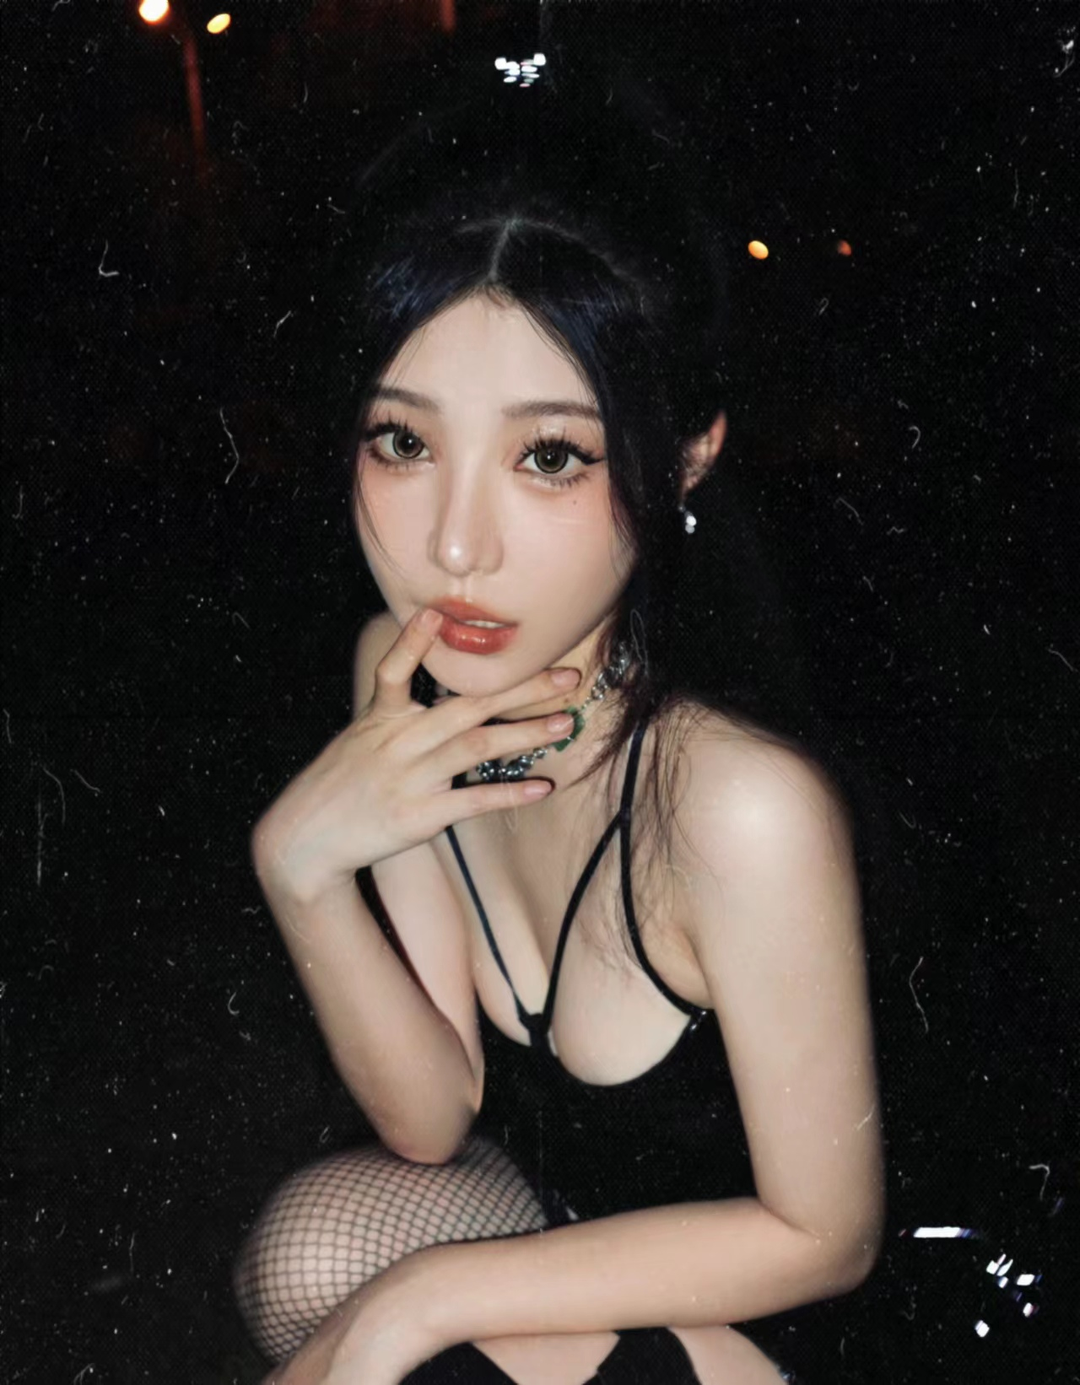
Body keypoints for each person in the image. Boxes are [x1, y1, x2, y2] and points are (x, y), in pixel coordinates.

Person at [232, 62, 886, 1385]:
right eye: (403, 443)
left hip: (799, 1321)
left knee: (403, 1334)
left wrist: (423, 1303)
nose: (453, 548)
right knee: (310, 1257)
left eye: (549, 456)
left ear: (685, 457)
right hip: (582, 1248)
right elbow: (435, 1118)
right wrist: (300, 875)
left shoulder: (736, 800)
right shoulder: (405, 677)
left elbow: (828, 1239)